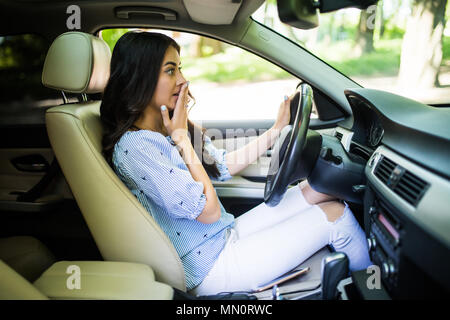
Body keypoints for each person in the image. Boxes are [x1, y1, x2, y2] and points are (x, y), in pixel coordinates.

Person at [100, 31, 372, 296]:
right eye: (170, 70)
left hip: (222, 235)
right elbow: (208, 213)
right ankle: (378, 290)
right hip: (210, 266)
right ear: (140, 77)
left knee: (319, 191)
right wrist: (182, 139)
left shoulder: (165, 128)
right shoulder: (138, 146)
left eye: (180, 68)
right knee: (334, 218)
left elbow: (219, 166)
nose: (183, 80)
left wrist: (277, 129)